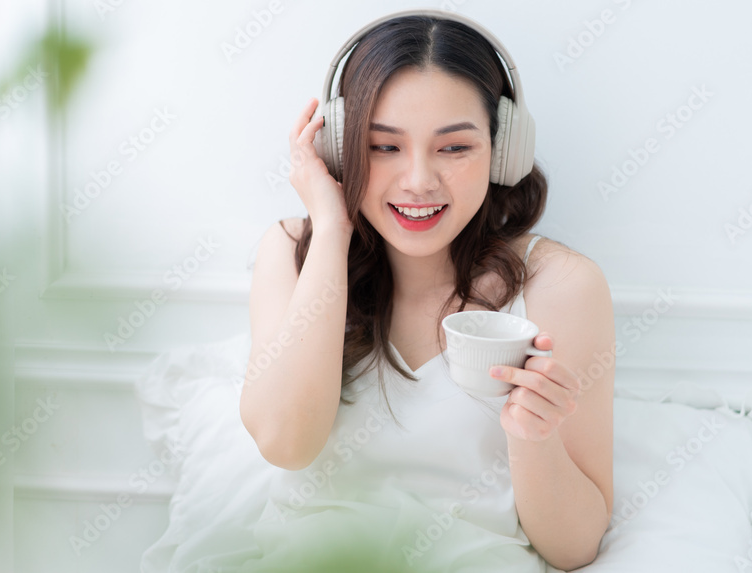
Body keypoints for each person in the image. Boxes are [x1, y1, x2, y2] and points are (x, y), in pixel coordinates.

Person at [240, 10, 614, 572]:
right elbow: (285, 444)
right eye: (383, 147)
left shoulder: (560, 287)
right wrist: (333, 231)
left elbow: (574, 548)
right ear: (340, 149)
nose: (418, 181)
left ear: (502, 152)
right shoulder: (291, 253)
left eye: (454, 148)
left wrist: (534, 438)